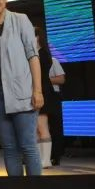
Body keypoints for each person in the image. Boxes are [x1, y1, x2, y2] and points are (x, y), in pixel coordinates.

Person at [0, 0, 43, 177]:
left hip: (21, 90)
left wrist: (37, 90)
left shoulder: (20, 19)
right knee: (9, 147)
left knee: (28, 145)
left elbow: (33, 56)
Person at [34, 27, 65, 167]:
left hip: (44, 93)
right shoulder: (38, 54)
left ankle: (46, 159)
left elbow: (59, 79)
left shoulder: (43, 54)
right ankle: (40, 158)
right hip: (38, 91)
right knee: (36, 128)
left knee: (42, 126)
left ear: (38, 37)